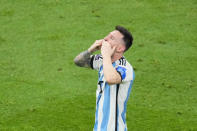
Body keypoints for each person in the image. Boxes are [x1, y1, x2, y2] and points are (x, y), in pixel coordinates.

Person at [74, 25, 135, 131]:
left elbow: (111, 79)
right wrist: (90, 50)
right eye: (107, 35)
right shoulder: (103, 60)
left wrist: (106, 55)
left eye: (111, 38)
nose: (105, 39)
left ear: (120, 48)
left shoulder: (125, 68)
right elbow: (78, 62)